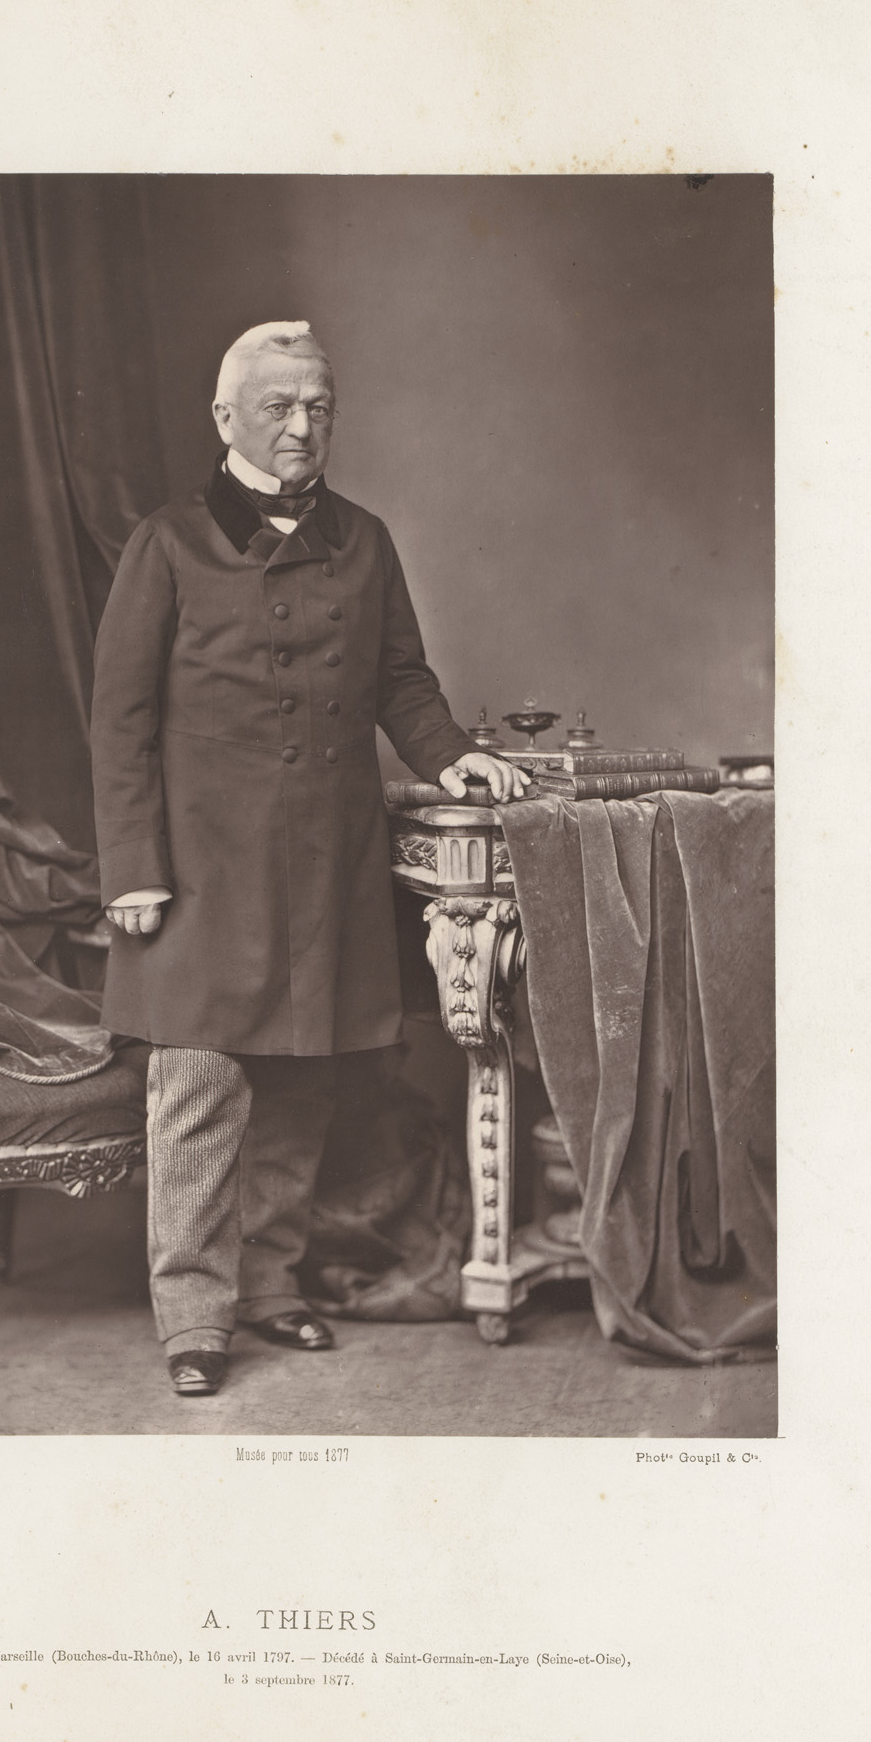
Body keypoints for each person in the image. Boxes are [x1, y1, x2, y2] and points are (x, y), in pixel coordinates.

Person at [89, 320, 524, 1396]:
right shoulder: (166, 541)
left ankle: (269, 1286)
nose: (300, 425)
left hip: (328, 858)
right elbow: (119, 719)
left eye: (318, 407)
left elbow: (401, 682)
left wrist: (453, 756)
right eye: (278, 406)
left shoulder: (363, 539)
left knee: (301, 1082)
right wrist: (132, 866)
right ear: (225, 417)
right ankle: (193, 1318)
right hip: (202, 867)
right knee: (198, 1089)